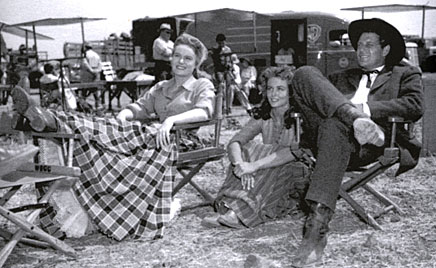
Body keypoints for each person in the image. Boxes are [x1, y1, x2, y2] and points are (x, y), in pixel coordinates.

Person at [11, 33, 215, 241]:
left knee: (110, 134)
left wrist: (171, 121)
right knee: (104, 124)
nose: (181, 62)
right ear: (170, 58)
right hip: (153, 136)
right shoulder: (161, 87)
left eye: (187, 58)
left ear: (196, 63)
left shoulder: (201, 85)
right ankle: (50, 119)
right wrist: (122, 115)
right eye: (177, 56)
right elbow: (139, 107)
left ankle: (46, 120)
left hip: (180, 139)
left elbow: (205, 112)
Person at [288, 18, 424, 267]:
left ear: (386, 49)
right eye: (358, 45)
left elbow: (414, 106)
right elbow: (305, 99)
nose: (360, 50)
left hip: (370, 144)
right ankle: (353, 119)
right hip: (330, 139)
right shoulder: (341, 77)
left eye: (368, 45)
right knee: (304, 73)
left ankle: (315, 233)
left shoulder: (405, 73)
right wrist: (351, 115)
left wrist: (366, 109)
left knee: (333, 124)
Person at [202, 66, 309, 228]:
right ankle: (236, 208)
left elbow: (294, 152)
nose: (274, 94)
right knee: (246, 150)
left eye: (280, 89)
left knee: (264, 151)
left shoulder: (299, 118)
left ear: (291, 92)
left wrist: (253, 165)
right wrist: (241, 166)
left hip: (296, 174)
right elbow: (235, 142)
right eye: (270, 89)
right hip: (268, 175)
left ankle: (241, 212)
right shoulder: (265, 115)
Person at [80, 42, 103, 110]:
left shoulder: (85, 55)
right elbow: (100, 64)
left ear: (85, 48)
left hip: (87, 75)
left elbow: (85, 64)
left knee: (84, 91)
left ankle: (83, 105)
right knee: (95, 90)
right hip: (95, 74)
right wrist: (97, 71)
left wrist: (91, 70)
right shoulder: (96, 55)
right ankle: (98, 105)